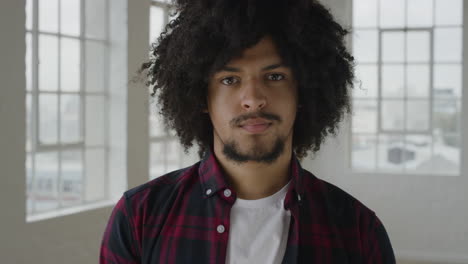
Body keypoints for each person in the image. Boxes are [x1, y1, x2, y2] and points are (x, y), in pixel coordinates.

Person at [100, 0, 396, 263]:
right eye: (230, 80)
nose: (253, 98)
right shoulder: (139, 216)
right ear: (201, 97)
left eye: (275, 76)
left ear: (303, 92)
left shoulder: (357, 230)